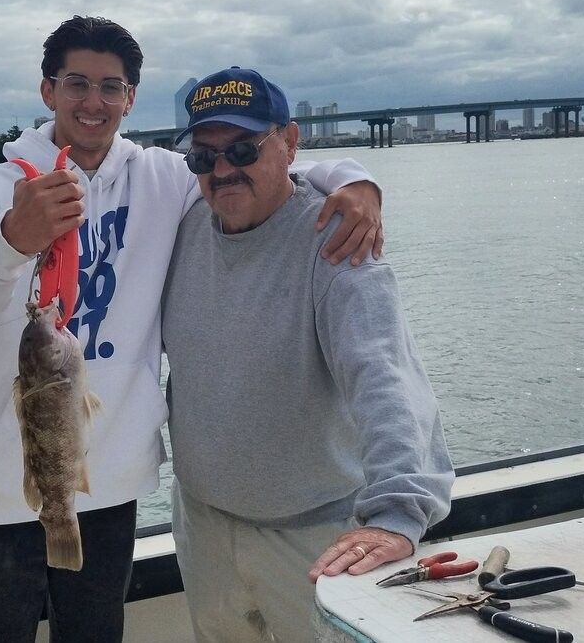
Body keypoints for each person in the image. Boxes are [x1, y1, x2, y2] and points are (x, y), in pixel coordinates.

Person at [0, 17, 386, 643]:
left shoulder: (164, 179)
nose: (93, 102)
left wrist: (355, 181)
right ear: (47, 90)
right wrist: (10, 237)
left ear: (131, 98)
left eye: (112, 87)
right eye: (76, 83)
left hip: (107, 484)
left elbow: (263, 165)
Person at [161, 66, 453, 643]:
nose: (223, 170)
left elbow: (385, 378)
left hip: (316, 538)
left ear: (290, 142)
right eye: (204, 156)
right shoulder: (184, 225)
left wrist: (398, 513)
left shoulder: (336, 237)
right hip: (203, 525)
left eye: (243, 148)